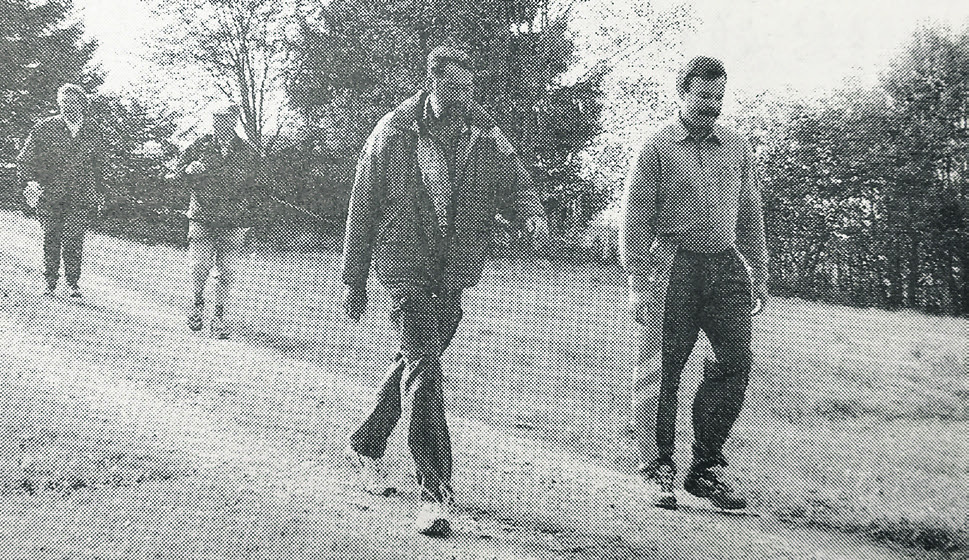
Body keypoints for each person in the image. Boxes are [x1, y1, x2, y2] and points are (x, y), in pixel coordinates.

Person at [341, 45, 551, 537]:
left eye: (467, 92)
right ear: (431, 83)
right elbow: (362, 205)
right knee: (425, 367)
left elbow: (515, 182)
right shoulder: (392, 132)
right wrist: (354, 280)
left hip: (454, 269)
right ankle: (434, 491)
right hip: (401, 266)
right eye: (452, 91)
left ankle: (369, 441)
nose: (461, 102)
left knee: (420, 360)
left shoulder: (484, 132)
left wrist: (530, 217)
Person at [619, 56, 768, 511]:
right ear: (682, 94)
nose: (711, 106)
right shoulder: (656, 146)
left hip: (725, 268)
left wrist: (758, 274)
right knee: (661, 369)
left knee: (736, 362)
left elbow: (750, 215)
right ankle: (657, 466)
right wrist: (639, 275)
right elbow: (633, 217)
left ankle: (705, 467)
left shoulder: (737, 147)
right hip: (671, 264)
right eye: (702, 97)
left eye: (717, 97)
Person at [176, 103, 260, 339]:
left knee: (228, 272)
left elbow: (258, 188)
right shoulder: (200, 145)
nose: (218, 124)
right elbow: (176, 173)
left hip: (234, 220)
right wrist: (188, 170)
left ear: (234, 121)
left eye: (224, 120)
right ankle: (197, 304)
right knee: (199, 266)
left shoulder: (248, 151)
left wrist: (251, 218)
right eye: (216, 119)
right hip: (202, 216)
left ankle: (220, 318)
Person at [17, 83, 106, 297]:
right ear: (59, 103)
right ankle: (50, 282)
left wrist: (101, 192)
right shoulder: (45, 127)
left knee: (74, 238)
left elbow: (100, 165)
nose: (68, 107)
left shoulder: (93, 131)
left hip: (81, 195)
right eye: (64, 102)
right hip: (50, 195)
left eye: (73, 102)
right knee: (51, 236)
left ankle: (72, 283)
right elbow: (25, 159)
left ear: (82, 104)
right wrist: (29, 182)